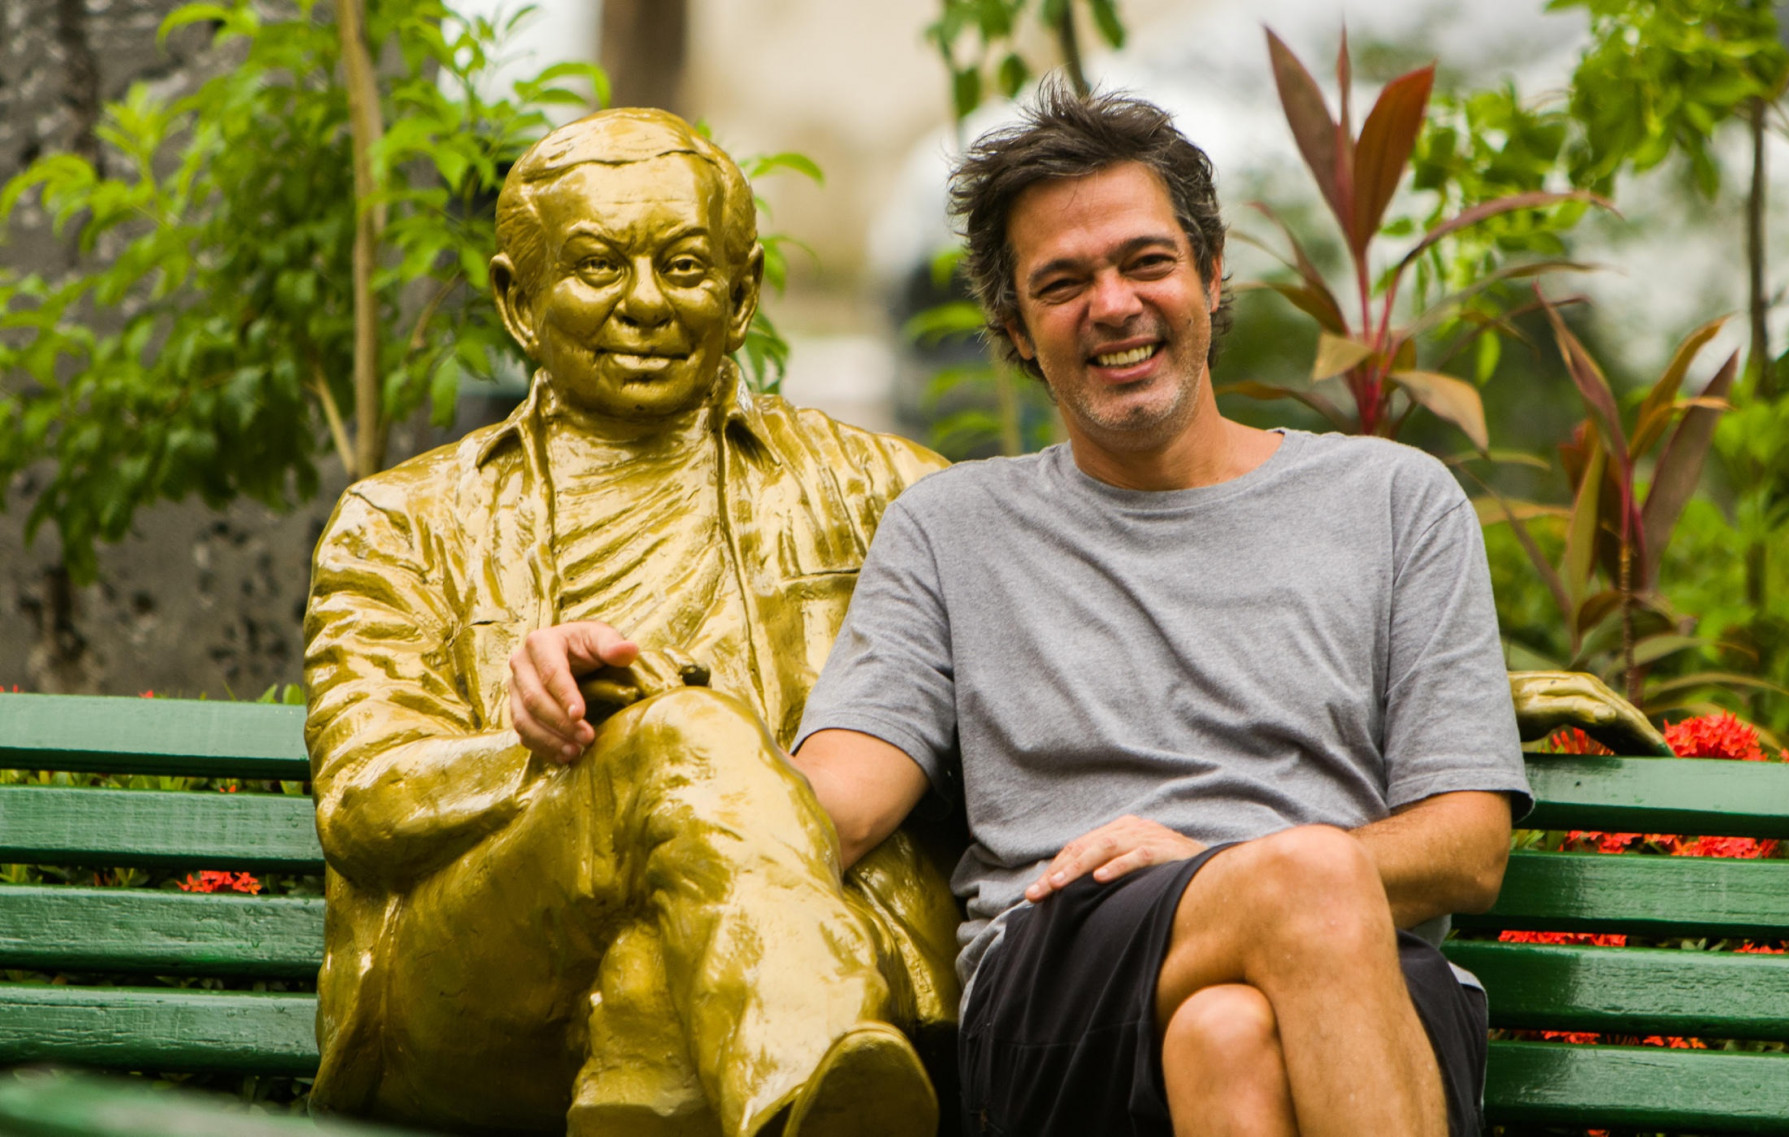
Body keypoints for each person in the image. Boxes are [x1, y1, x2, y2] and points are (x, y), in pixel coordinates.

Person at [786, 82, 1536, 1137]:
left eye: (1145, 262)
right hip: (1062, 978)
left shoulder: (1395, 503)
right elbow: (838, 804)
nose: (1114, 305)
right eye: (1063, 282)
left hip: (1369, 982)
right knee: (1307, 878)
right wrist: (634, 714)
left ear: (1211, 274)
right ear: (1012, 325)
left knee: (1225, 1033)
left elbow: (1469, 849)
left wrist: (1224, 873)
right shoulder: (951, 529)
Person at [303, 108, 959, 1137]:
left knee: (657, 977)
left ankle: (793, 1091)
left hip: (798, 944)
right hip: (476, 988)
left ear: (741, 297)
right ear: (519, 302)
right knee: (679, 738)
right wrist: (571, 756)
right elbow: (363, 798)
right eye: (599, 266)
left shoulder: (883, 492)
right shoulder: (405, 522)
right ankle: (815, 1064)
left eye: (686, 267)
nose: (645, 303)